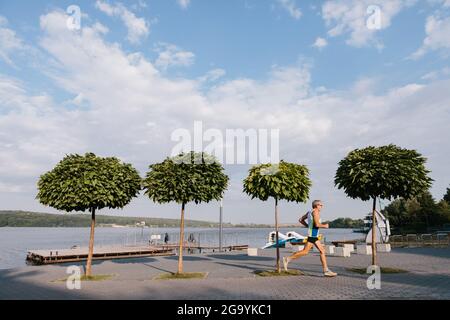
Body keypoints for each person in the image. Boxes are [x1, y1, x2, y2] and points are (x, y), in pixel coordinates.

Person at [282, 200, 337, 277]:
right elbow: (317, 224)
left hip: (313, 235)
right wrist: (325, 226)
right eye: (321, 205)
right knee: (311, 251)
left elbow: (300, 220)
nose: (322, 206)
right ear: (316, 205)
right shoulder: (316, 212)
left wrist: (308, 225)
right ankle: (287, 258)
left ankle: (326, 270)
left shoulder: (309, 212)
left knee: (317, 251)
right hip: (313, 236)